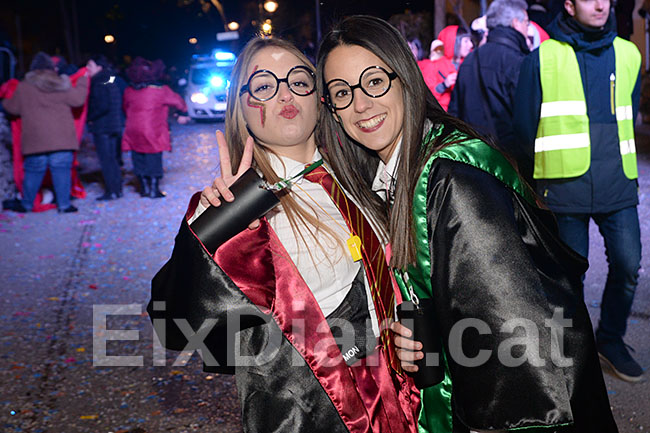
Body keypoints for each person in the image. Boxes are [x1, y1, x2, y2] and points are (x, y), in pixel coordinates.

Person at [317, 15, 618, 432]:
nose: (361, 104)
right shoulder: (401, 175)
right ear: (332, 111)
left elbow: (516, 352)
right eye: (342, 92)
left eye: (374, 81)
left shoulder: (453, 182)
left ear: (405, 78)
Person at [147, 37, 419, 432]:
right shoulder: (233, 210)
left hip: (395, 402)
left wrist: (402, 337)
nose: (285, 94)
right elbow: (174, 324)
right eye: (263, 87)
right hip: (310, 416)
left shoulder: (359, 176)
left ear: (319, 98)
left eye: (298, 81)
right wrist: (214, 234)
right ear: (240, 109)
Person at [513, 0, 643, 382]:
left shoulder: (629, 54)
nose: (601, 4)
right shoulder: (542, 58)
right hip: (563, 185)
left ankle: (610, 341)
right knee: (568, 279)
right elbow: (524, 127)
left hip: (617, 182)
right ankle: (570, 351)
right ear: (569, 5)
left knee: (628, 266)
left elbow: (629, 114)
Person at [449, 0, 531, 175]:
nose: (528, 28)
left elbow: (454, 114)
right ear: (515, 23)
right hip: (511, 162)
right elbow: (526, 118)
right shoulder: (518, 61)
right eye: (526, 22)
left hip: (474, 159)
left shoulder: (469, 60)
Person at [1, 52, 88, 213]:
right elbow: (78, 100)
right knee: (61, 172)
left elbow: (12, 108)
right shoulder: (61, 84)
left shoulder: (24, 87)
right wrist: (83, 80)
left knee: (33, 174)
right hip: (62, 140)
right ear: (52, 68)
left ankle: (27, 204)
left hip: (35, 141)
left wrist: (6, 98)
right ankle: (64, 205)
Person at [122, 57, 188, 198]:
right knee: (153, 156)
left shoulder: (129, 90)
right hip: (152, 128)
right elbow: (178, 101)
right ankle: (153, 189)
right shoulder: (160, 90)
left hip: (132, 128)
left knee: (137, 156)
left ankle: (143, 188)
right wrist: (183, 112)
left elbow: (125, 107)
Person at [87, 55, 124, 201]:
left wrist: (90, 117)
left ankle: (112, 190)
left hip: (103, 127)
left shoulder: (98, 81)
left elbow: (102, 105)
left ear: (99, 67)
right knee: (113, 159)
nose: (87, 69)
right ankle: (117, 189)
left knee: (107, 160)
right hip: (114, 125)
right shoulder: (110, 79)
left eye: (90, 66)